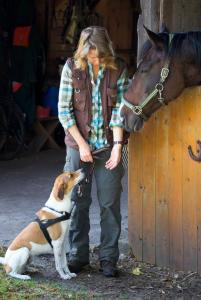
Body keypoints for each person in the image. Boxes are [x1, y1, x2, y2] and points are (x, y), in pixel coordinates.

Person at [58, 26, 128, 277]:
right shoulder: (71, 68)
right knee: (78, 201)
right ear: (83, 52)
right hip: (79, 146)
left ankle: (109, 258)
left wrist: (118, 147)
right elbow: (64, 112)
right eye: (90, 56)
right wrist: (83, 144)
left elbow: (120, 110)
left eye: (99, 56)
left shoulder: (118, 68)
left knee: (110, 203)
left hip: (109, 146)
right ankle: (78, 254)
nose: (95, 61)